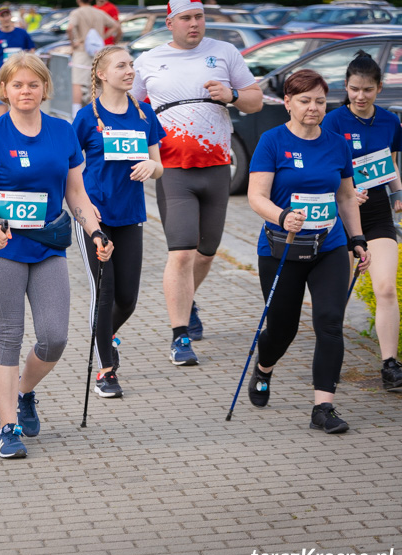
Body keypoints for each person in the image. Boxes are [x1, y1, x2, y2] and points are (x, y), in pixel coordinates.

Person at [0, 53, 114, 458]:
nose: (25, 91)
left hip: (49, 244)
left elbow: (75, 192)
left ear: (45, 89)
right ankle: (6, 425)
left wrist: (95, 231)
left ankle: (24, 391)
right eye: (17, 85)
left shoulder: (63, 132)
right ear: (5, 90)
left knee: (54, 337)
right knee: (9, 335)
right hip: (6, 246)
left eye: (33, 84)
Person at [131, 0, 262, 366]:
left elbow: (255, 100)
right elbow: (127, 107)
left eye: (199, 17)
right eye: (186, 18)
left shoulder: (225, 52)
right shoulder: (149, 60)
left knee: (207, 252)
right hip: (171, 168)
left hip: (218, 166)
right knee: (183, 251)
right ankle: (180, 336)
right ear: (170, 22)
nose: (194, 24)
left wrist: (232, 95)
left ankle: (188, 304)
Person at [247, 69, 371, 433]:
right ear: (287, 102)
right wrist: (282, 215)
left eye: (319, 100)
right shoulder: (271, 141)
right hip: (281, 248)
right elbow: (256, 196)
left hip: (328, 247)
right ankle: (264, 367)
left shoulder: (336, 143)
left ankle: (323, 408)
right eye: (304, 101)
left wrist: (357, 239)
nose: (313, 107)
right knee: (282, 329)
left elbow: (346, 196)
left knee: (329, 321)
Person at [72, 46, 165, 398]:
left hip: (131, 215)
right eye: (121, 65)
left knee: (127, 298)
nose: (130, 71)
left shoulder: (143, 115)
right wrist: (82, 206)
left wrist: (151, 168)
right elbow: (69, 167)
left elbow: (159, 165)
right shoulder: (86, 117)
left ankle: (104, 335)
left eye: (131, 65)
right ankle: (106, 371)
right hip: (94, 217)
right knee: (104, 291)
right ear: (102, 74)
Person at [323, 52, 402, 393]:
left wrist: (398, 194)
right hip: (339, 216)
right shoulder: (333, 122)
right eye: (354, 89)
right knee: (333, 296)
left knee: (385, 287)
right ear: (346, 86)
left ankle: (389, 364)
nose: (360, 96)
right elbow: (323, 170)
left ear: (379, 88)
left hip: (378, 214)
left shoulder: (390, 121)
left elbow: (391, 163)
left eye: (367, 90)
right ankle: (327, 359)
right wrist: (347, 194)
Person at [67, 0, 118, 119]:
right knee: (94, 83)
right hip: (97, 51)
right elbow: (115, 25)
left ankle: (76, 113)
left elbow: (70, 28)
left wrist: (73, 42)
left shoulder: (77, 13)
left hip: (81, 50)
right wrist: (103, 37)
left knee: (77, 83)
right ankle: (94, 112)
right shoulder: (99, 12)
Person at [0, 5, 35, 117]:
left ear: (11, 16)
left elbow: (31, 52)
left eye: (7, 15)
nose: (5, 18)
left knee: (22, 111)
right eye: (2, 16)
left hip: (21, 78)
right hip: (2, 80)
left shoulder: (22, 34)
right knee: (3, 115)